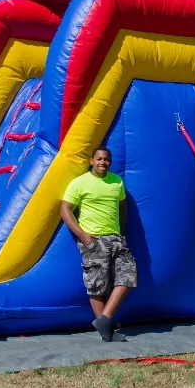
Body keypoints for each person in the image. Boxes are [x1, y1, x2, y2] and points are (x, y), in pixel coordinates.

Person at [59, 146, 137, 341]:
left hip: (115, 238)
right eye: (99, 159)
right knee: (96, 284)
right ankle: (107, 332)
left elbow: (122, 207)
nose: (103, 163)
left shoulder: (117, 181)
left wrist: (120, 232)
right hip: (93, 239)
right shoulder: (80, 183)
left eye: (106, 160)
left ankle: (105, 319)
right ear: (91, 161)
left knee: (129, 276)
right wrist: (83, 236)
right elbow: (65, 210)